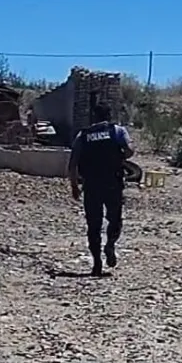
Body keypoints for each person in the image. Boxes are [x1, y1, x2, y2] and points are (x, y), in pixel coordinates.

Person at [67, 103, 134, 276]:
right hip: (113, 183)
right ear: (109, 115)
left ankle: (97, 262)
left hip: (91, 186)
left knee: (93, 225)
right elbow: (129, 151)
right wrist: (117, 155)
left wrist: (74, 186)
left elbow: (73, 163)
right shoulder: (117, 131)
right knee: (115, 220)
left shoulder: (83, 135)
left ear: (93, 117)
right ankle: (110, 244)